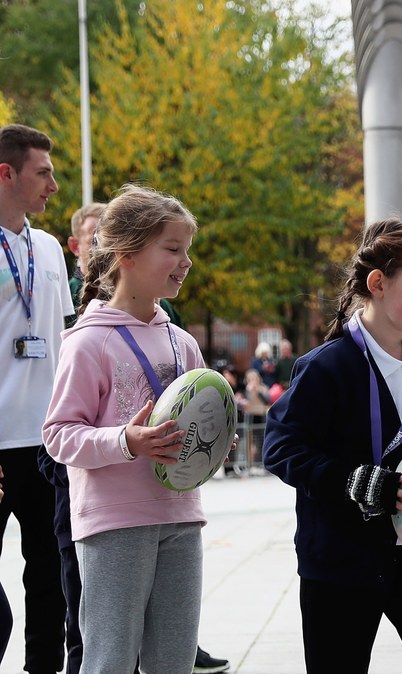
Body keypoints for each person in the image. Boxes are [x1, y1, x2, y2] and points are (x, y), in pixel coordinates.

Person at [262, 217, 402, 672]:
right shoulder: (326, 366)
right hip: (339, 558)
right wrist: (350, 480)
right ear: (378, 283)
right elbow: (281, 447)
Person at [39, 201, 231, 674]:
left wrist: (213, 444)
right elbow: (59, 436)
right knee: (110, 660)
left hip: (182, 517)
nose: (186, 262)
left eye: (187, 250)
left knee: (174, 663)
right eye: (173, 249)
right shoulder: (87, 342)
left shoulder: (181, 342)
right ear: (126, 253)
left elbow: (206, 418)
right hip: (114, 524)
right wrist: (126, 441)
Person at [0, 123, 72, 674]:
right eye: (43, 173)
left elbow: (65, 340)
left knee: (48, 576)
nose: (53, 185)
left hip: (47, 445)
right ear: (7, 173)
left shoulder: (46, 247)